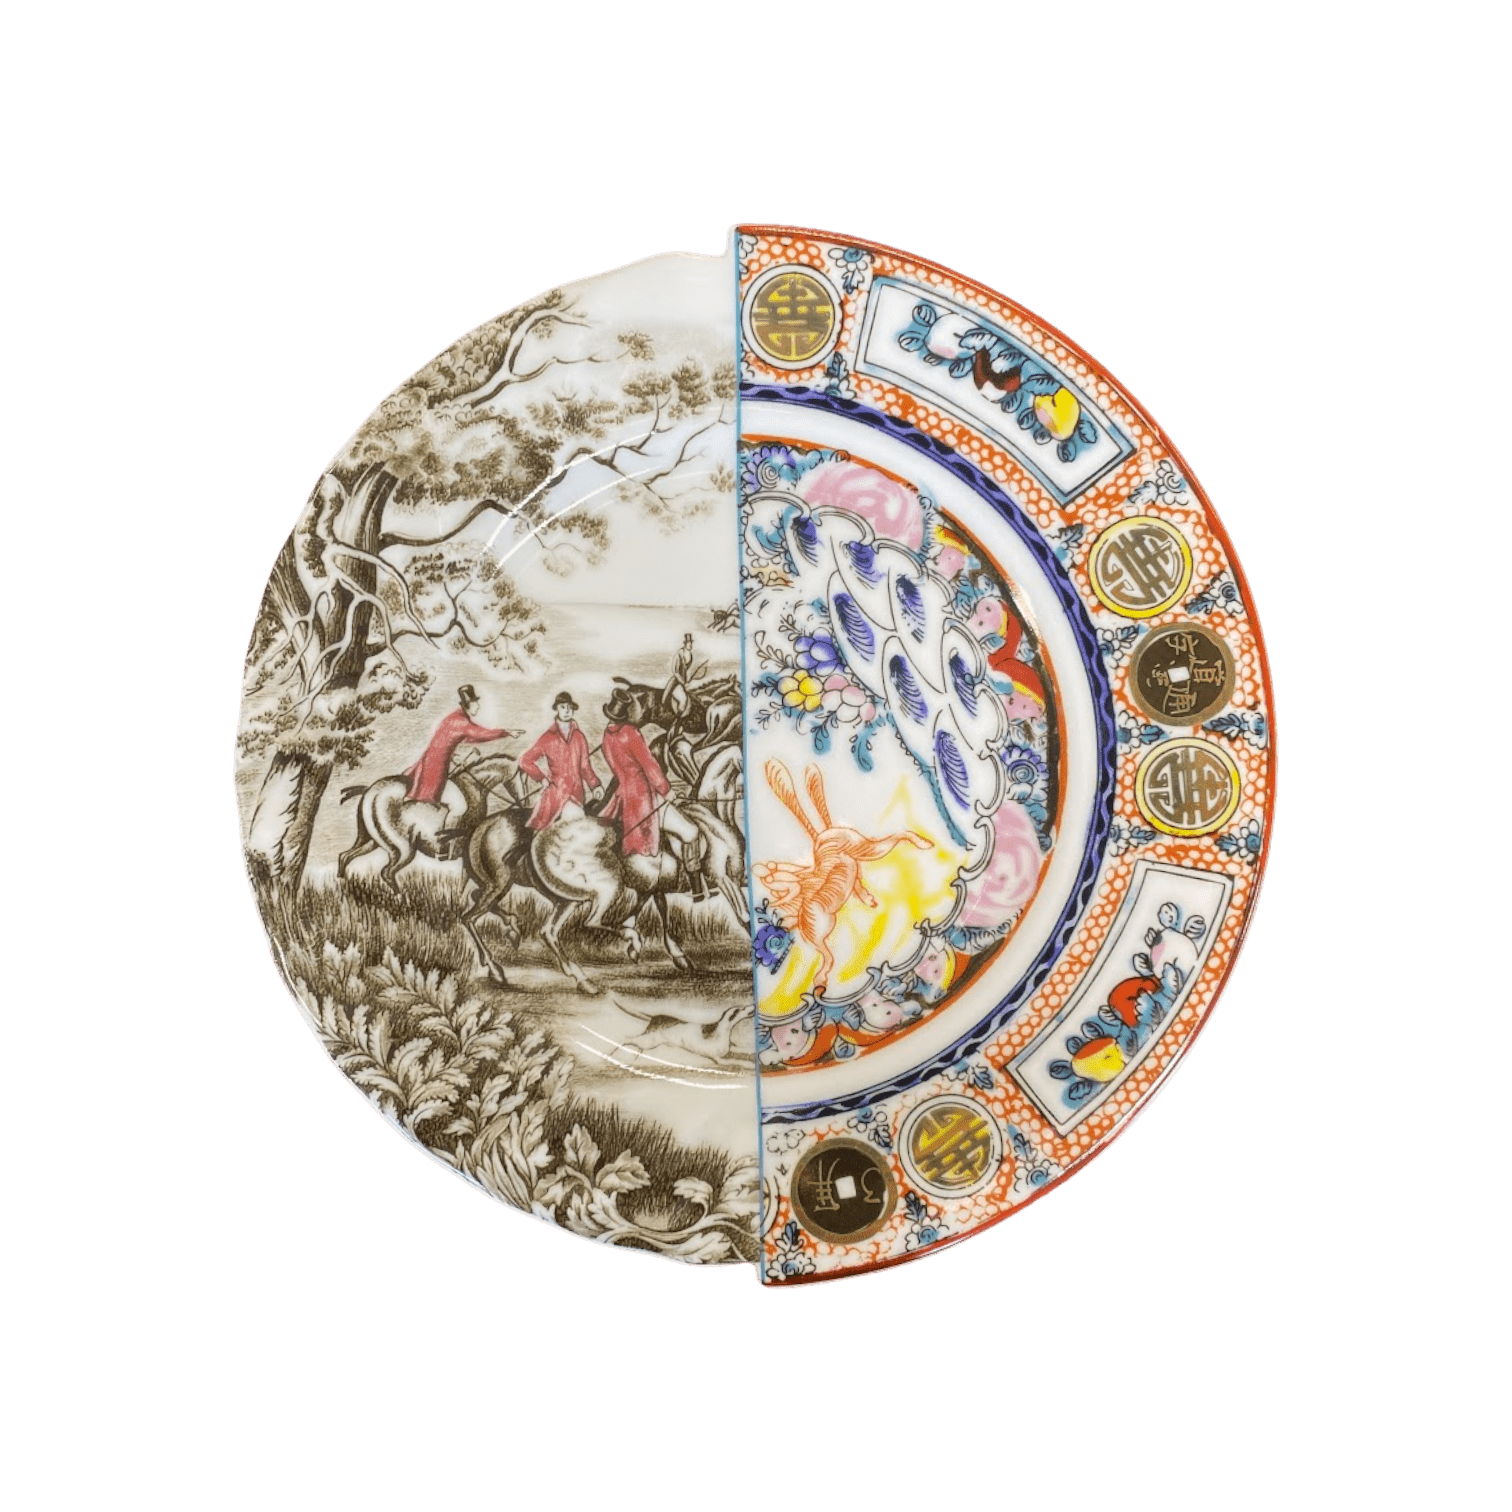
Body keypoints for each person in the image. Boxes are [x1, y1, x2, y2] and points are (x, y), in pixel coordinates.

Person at [601, 688, 707, 883]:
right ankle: (697, 887)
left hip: (623, 795)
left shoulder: (606, 736)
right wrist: (666, 790)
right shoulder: (631, 732)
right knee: (691, 832)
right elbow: (649, 764)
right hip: (644, 796)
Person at [404, 685, 516, 816]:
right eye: (475, 703)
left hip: (431, 763)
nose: (478, 707)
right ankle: (441, 829)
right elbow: (479, 733)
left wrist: (453, 756)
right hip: (435, 769)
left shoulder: (455, 717)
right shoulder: (460, 721)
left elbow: (464, 737)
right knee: (459, 807)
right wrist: (506, 732)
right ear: (469, 704)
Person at [519, 692, 602, 831]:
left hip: (576, 794)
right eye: (563, 707)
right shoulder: (548, 738)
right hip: (555, 795)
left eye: (569, 707)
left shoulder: (579, 737)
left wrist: (595, 785)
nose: (567, 710)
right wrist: (541, 778)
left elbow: (585, 767)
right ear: (557, 709)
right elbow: (525, 760)